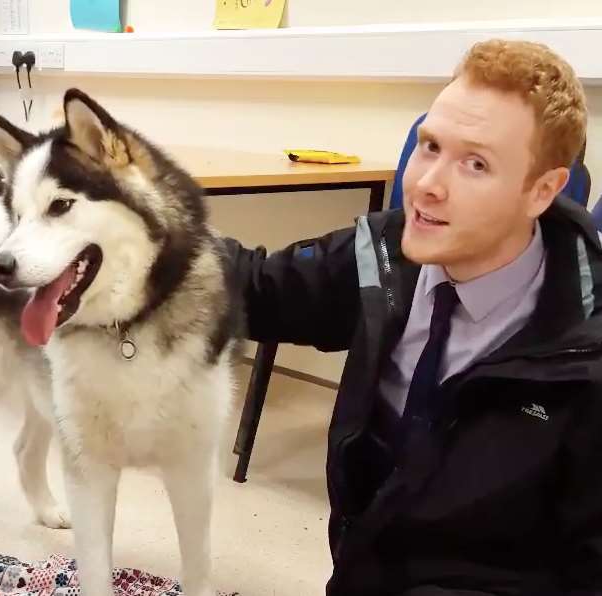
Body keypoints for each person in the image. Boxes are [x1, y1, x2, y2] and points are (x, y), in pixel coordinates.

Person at [227, 39, 602, 595]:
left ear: (542, 190)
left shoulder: (583, 357)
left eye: (475, 163)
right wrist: (123, 230)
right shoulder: (384, 257)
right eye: (430, 146)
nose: (428, 183)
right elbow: (252, 286)